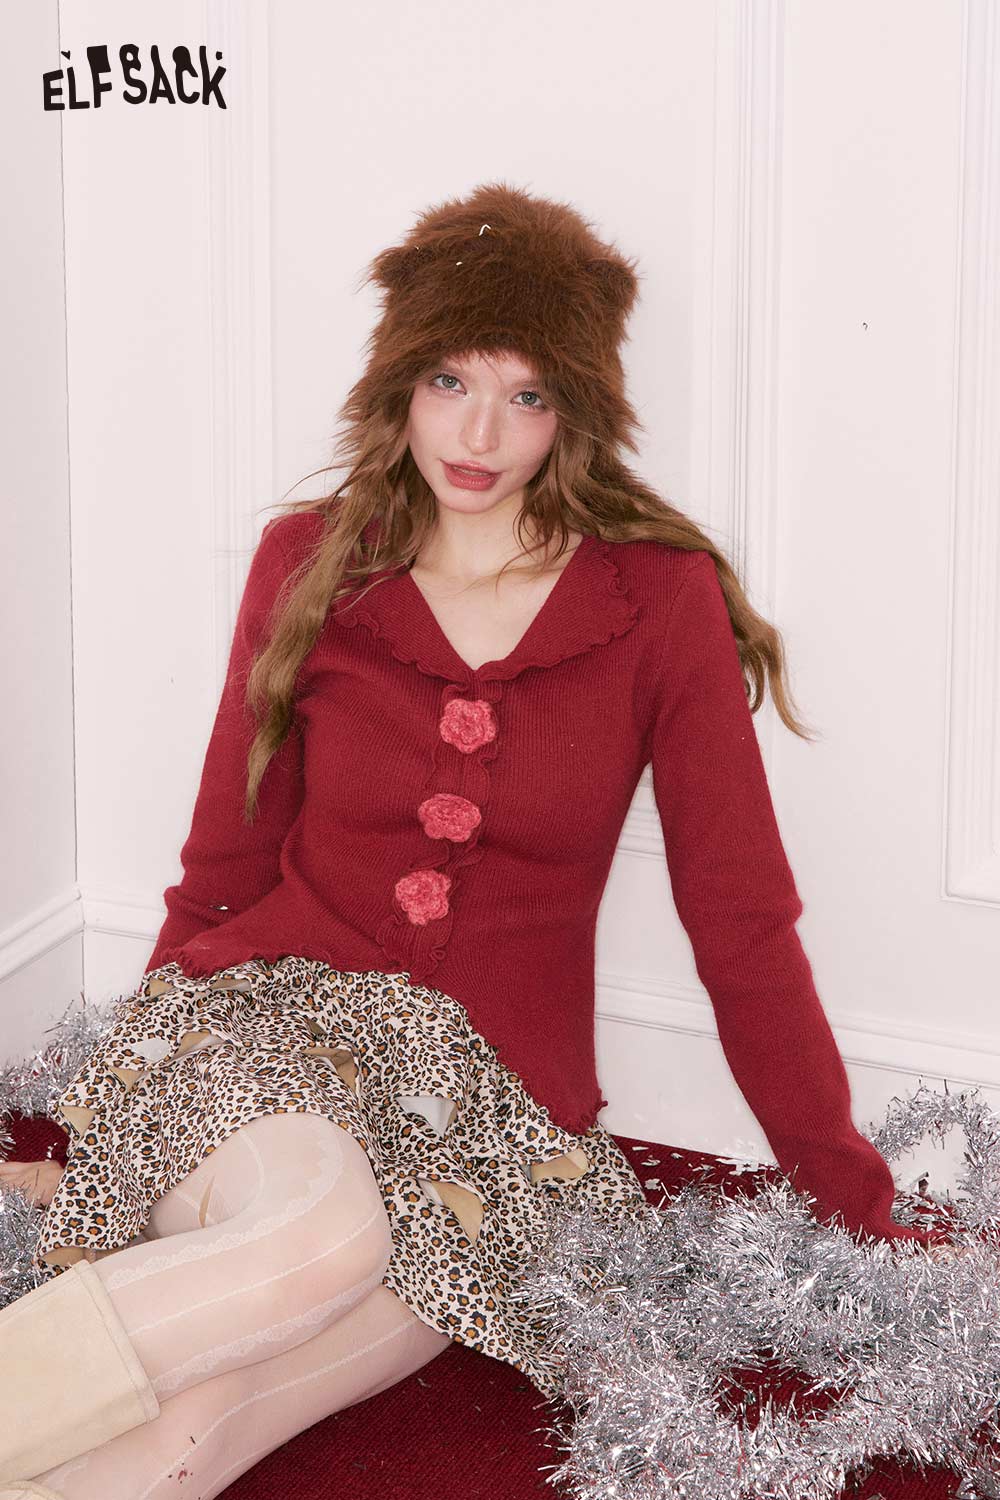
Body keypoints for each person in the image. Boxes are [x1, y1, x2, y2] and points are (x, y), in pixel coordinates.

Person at [0, 180, 948, 1500]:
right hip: (272, 1030)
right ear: (400, 381)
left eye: (527, 393)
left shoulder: (656, 600)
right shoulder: (311, 563)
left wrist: (853, 1203)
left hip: (494, 1128)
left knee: (207, 1420)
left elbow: (741, 920)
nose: (481, 432)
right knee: (321, 1237)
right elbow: (224, 865)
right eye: (450, 380)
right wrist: (111, 1115)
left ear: (576, 412)